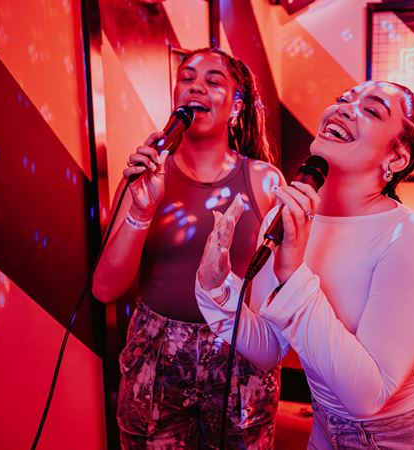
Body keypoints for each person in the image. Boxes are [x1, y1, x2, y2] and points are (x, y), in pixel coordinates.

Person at [196, 81, 414, 449]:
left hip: (410, 434)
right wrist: (216, 287)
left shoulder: (410, 236)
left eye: (371, 110)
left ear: (397, 158)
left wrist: (293, 275)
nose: (343, 108)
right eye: (342, 99)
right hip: (327, 426)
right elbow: (268, 347)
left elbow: (369, 397)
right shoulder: (286, 216)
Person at [92, 47, 285, 449]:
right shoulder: (145, 177)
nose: (196, 86)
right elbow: (105, 288)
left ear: (236, 106)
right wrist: (142, 210)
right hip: (157, 356)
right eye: (187, 78)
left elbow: (282, 287)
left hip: (239, 351)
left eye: (213, 81)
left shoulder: (265, 181)